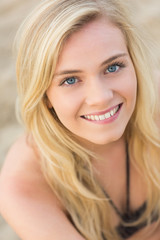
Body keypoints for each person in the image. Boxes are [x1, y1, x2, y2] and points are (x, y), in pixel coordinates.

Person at [0, 0, 160, 239]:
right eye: (71, 80)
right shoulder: (23, 184)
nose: (101, 98)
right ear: (45, 97)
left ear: (134, 63)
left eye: (113, 67)